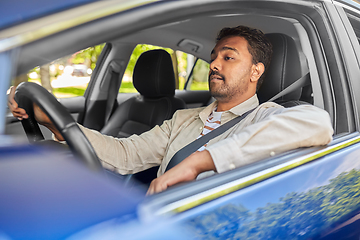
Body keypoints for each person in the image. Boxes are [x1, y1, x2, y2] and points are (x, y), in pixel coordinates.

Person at [8, 26, 333, 195]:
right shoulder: (184, 119)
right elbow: (124, 155)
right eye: (214, 56)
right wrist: (53, 122)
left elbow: (317, 124)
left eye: (228, 57)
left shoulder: (268, 116)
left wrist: (199, 161)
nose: (214, 64)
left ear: (256, 72)